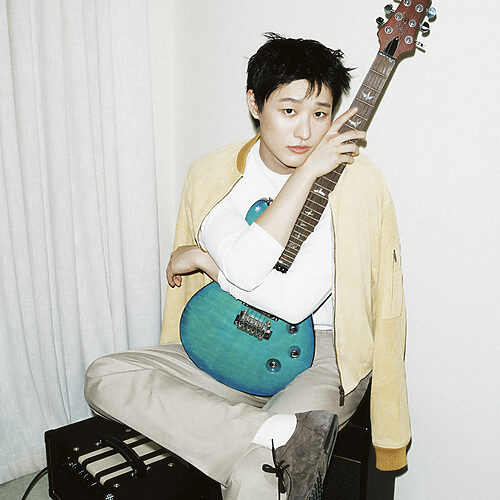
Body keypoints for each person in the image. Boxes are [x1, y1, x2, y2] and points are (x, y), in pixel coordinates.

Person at [85, 33, 410, 499]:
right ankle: (271, 433)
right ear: (255, 104)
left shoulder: (354, 187)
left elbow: (290, 303)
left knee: (259, 477)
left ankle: (265, 444)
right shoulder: (218, 174)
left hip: (322, 353)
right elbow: (243, 268)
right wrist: (304, 176)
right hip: (230, 334)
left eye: (320, 114)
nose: (305, 133)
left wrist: (204, 259)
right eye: (289, 110)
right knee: (105, 376)